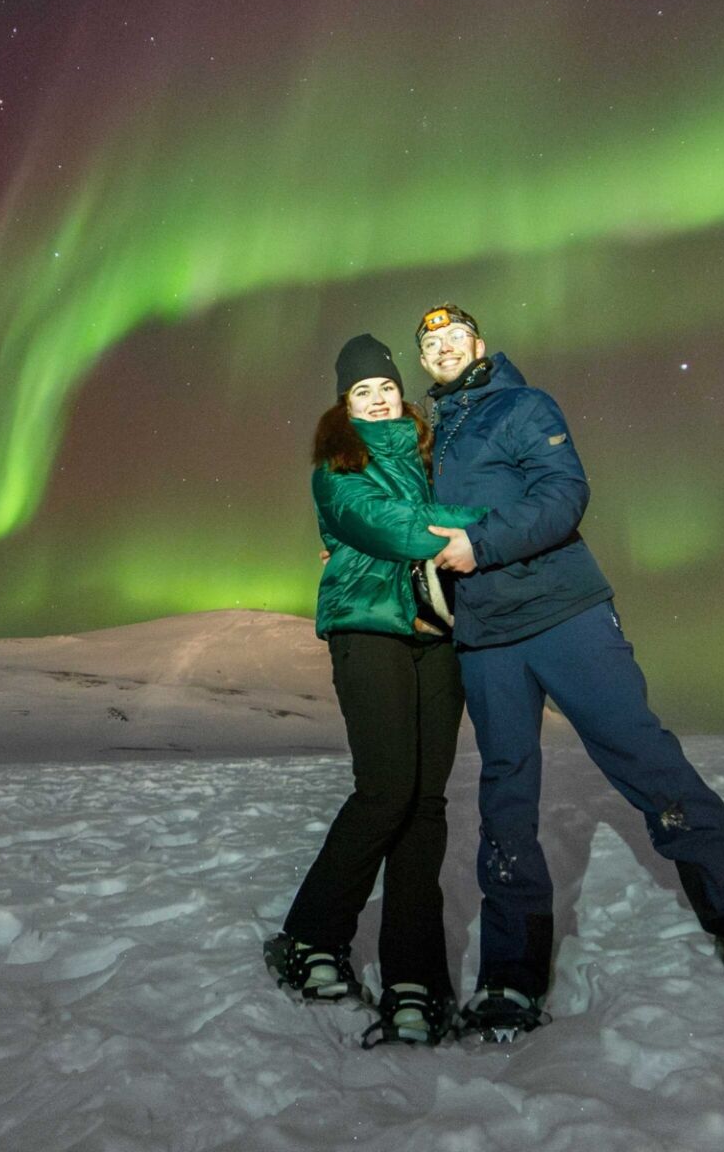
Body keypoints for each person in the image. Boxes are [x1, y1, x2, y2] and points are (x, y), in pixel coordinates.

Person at [414, 303, 724, 1042]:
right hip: (486, 637)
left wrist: (481, 544)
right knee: (506, 792)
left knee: (642, 754)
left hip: (564, 614)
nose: (443, 348)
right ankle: (511, 975)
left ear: (478, 344)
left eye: (454, 337)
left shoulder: (522, 405)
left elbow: (563, 494)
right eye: (431, 344)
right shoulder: (430, 437)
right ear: (424, 362)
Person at [264, 333, 487, 1048]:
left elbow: (467, 494)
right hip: (369, 629)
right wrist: (494, 529)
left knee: (425, 804)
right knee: (386, 790)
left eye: (386, 386)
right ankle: (310, 937)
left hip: (437, 637)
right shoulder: (337, 468)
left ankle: (414, 979)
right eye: (363, 391)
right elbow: (393, 528)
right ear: (346, 404)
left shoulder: (432, 458)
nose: (380, 398)